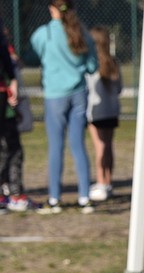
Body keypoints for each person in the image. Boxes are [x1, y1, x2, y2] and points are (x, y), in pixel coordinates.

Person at [29, 0, 96, 214]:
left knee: (56, 147)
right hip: (78, 94)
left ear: (52, 9)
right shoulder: (81, 32)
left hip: (55, 96)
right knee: (78, 146)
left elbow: (36, 54)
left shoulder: (44, 34)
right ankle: (84, 196)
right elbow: (92, 66)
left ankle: (54, 199)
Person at [0, 25, 38, 212]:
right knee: (8, 148)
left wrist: (12, 86)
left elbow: (10, 69)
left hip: (7, 103)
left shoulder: (5, 45)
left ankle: (14, 193)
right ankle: (10, 193)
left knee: (12, 148)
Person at [86, 25, 121, 203]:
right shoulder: (114, 63)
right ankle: (108, 182)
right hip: (112, 112)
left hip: (96, 112)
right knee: (108, 146)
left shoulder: (91, 64)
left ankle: (101, 182)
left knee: (99, 147)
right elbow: (119, 88)